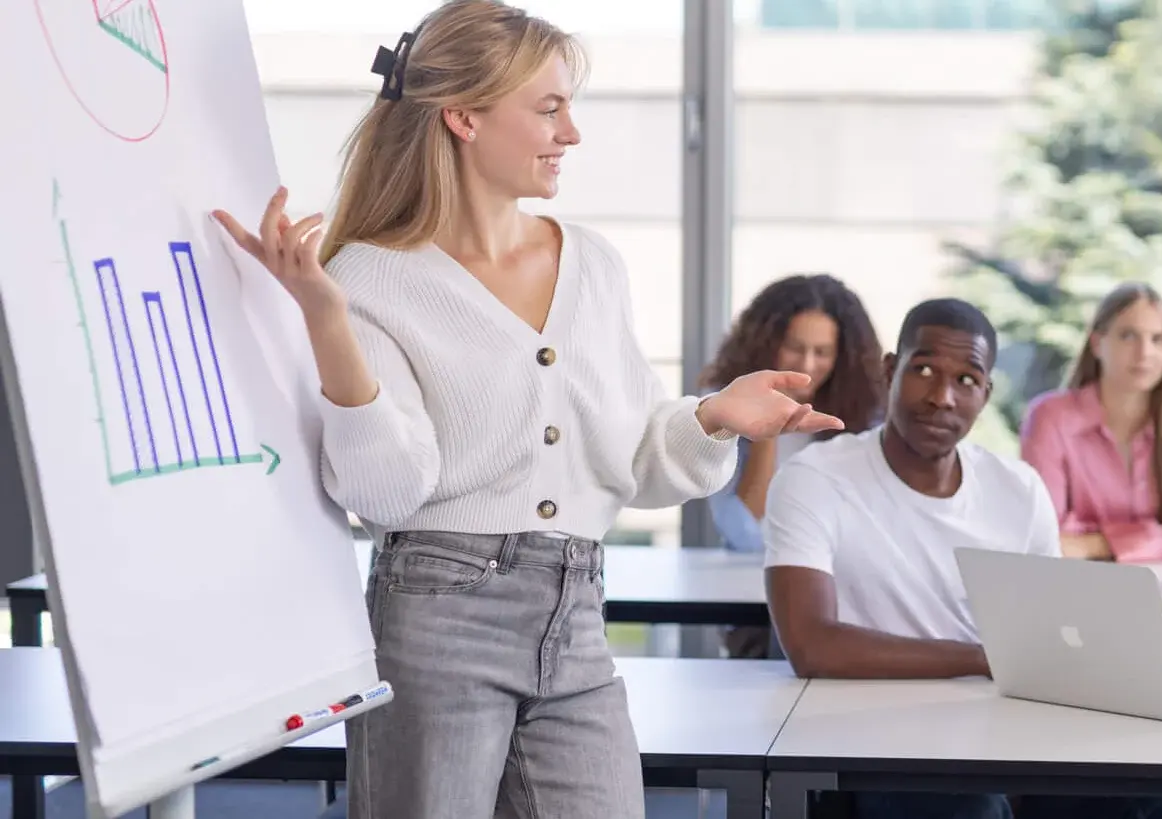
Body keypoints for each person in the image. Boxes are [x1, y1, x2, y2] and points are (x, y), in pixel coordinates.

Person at [212, 3, 841, 816]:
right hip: (436, 614)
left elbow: (636, 457)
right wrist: (326, 320)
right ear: (464, 117)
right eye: (549, 109)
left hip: (576, 615)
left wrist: (718, 413)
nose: (571, 134)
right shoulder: (367, 278)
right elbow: (388, 489)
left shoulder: (594, 265)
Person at [764, 298, 1162, 819]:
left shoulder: (1016, 489)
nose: (942, 398)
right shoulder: (816, 479)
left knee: (1160, 784)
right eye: (923, 371)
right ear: (889, 370)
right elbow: (811, 645)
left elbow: (1050, 632)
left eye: (966, 380)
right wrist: (984, 657)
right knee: (965, 804)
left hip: (1000, 724)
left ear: (986, 394)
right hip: (871, 736)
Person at [700, 273, 885, 658]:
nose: (807, 365)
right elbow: (746, 531)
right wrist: (769, 429)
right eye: (794, 348)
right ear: (766, 345)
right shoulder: (722, 406)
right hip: (754, 601)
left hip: (842, 592)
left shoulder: (869, 416)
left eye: (823, 352)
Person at [1018, 282, 1162, 563]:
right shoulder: (1050, 418)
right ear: (1097, 343)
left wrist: (1095, 544)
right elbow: (1044, 533)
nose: (1144, 353)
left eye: (1158, 339)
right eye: (1128, 336)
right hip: (1075, 590)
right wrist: (1155, 537)